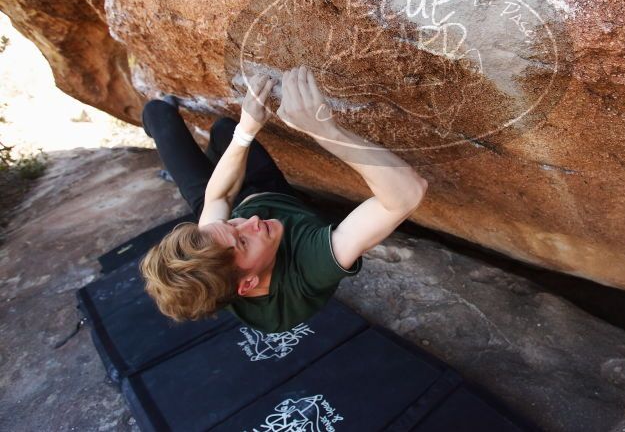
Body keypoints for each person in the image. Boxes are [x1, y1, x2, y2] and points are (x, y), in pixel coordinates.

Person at [139, 65, 428, 333]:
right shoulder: (305, 270)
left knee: (196, 123)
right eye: (243, 240)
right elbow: (407, 194)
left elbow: (221, 195)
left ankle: (173, 119)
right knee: (203, 125)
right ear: (249, 283)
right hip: (271, 190)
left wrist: (247, 130)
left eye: (233, 225)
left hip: (232, 197)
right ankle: (192, 128)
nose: (251, 221)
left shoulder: (217, 244)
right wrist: (324, 130)